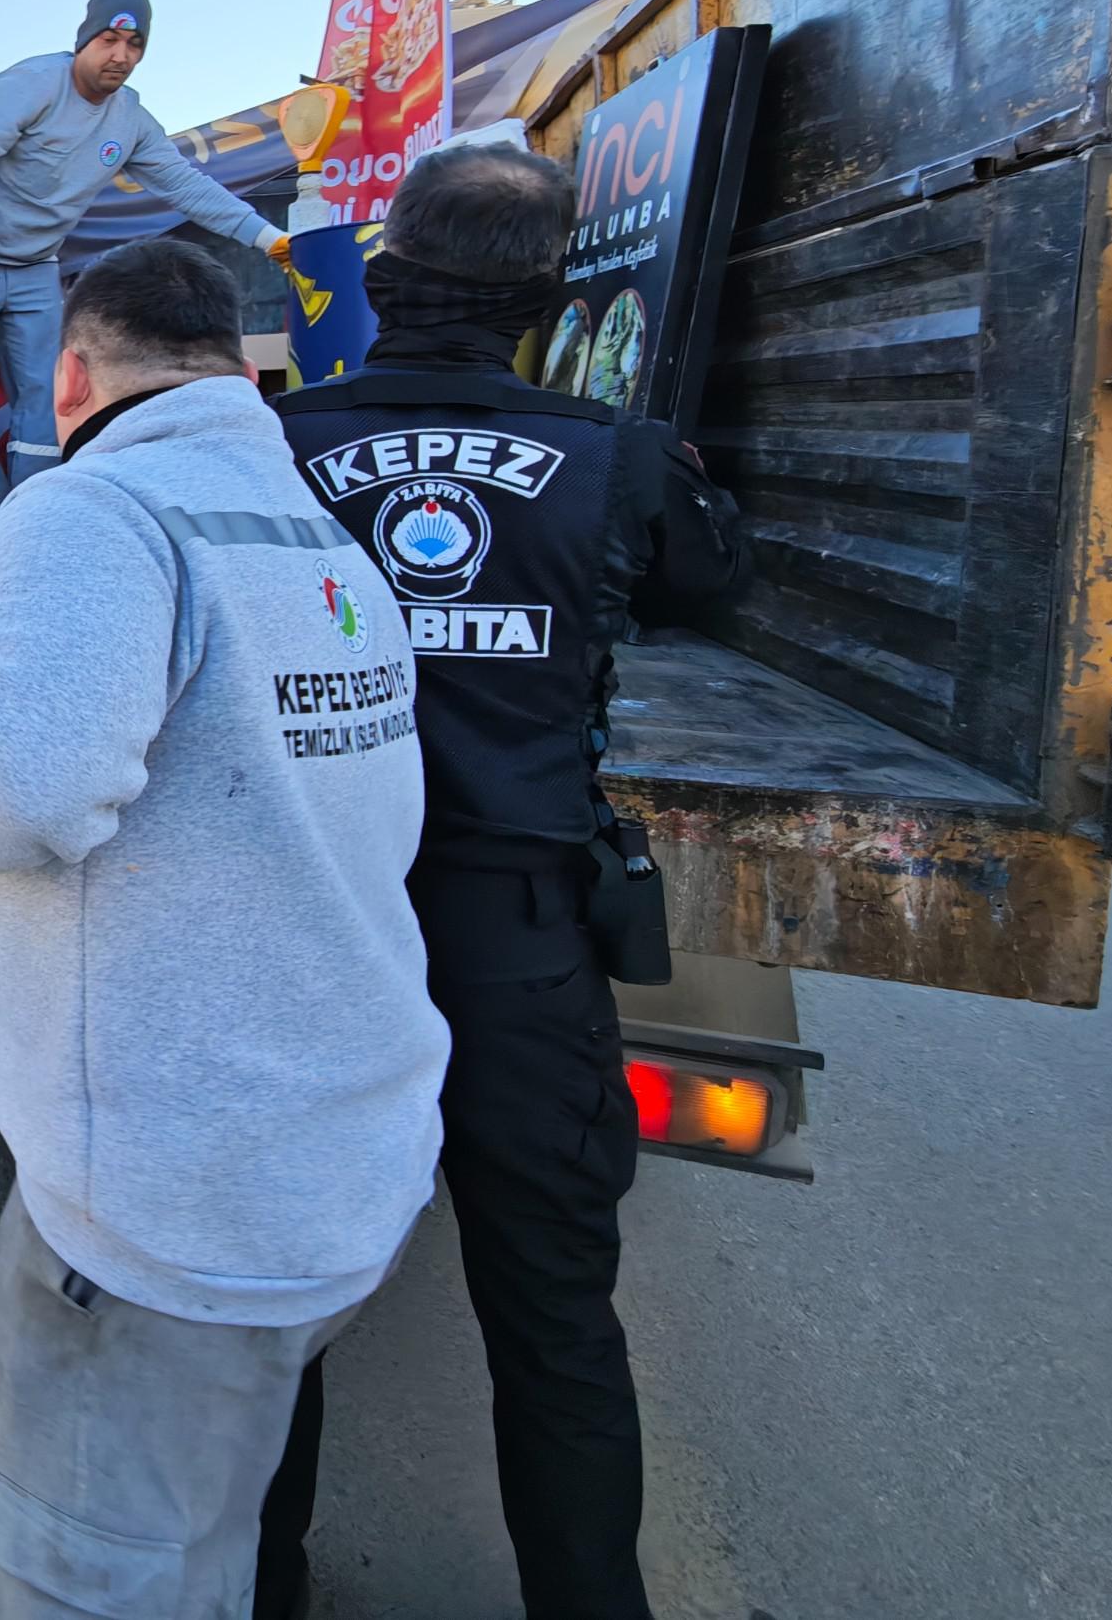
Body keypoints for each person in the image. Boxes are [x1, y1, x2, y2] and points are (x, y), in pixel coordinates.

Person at [0, 237, 449, 1620]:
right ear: (242, 367)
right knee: (207, 1534)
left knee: (107, 1581)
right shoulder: (318, 531)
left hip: (167, 1213)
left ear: (69, 374)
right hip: (333, 1161)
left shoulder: (97, 506)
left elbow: (9, 791)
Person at [259, 142, 749, 1620]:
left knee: (281, 1309)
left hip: (316, 936)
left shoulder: (265, 446)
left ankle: (259, 1590)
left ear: (381, 282)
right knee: (554, 1322)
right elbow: (714, 582)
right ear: (546, 301)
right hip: (521, 949)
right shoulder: (620, 454)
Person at [0, 0, 289, 564]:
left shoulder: (132, 121)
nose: (119, 55)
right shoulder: (36, 83)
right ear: (84, 40)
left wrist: (270, 239)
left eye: (134, 45)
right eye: (109, 40)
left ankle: (34, 513)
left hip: (36, 267)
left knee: (50, 397)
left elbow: (189, 188)